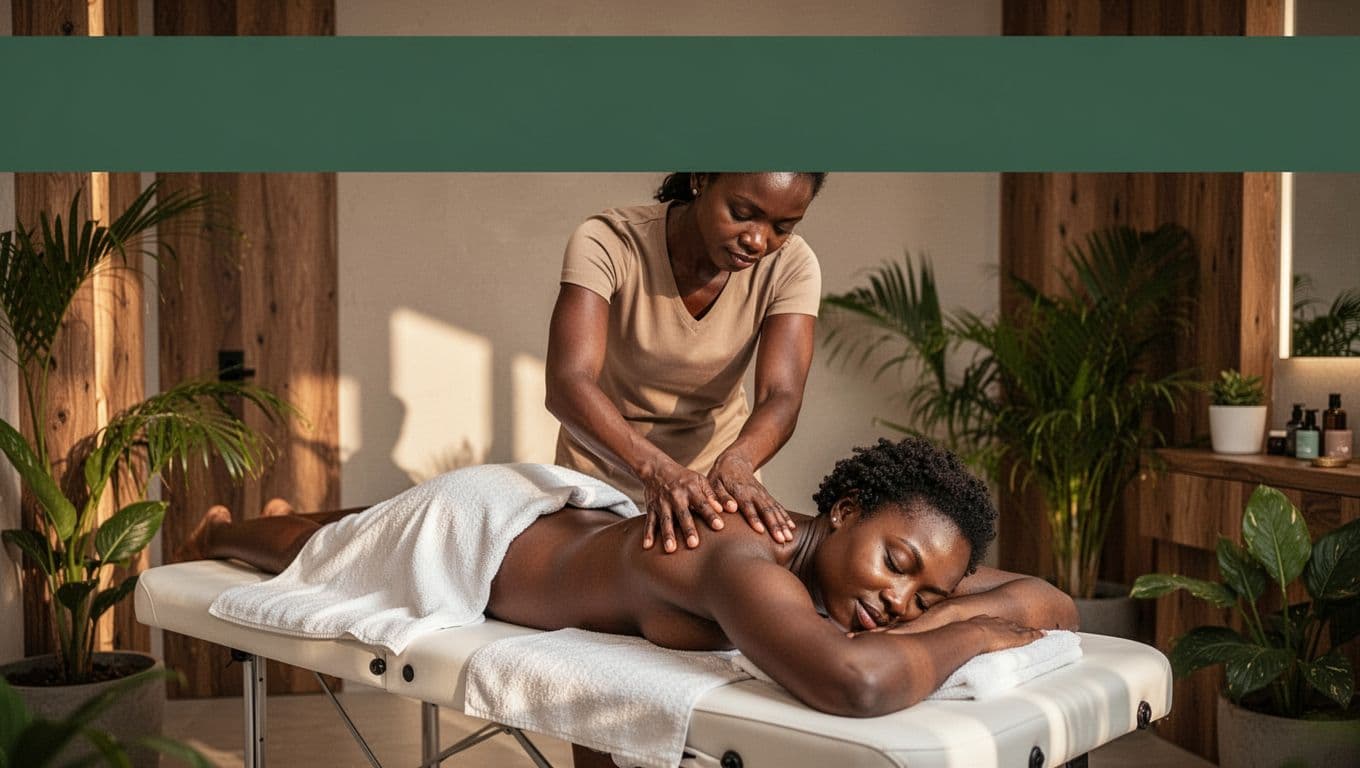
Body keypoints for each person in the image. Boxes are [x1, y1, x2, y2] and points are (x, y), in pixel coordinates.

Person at [182, 437, 1077, 733]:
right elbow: (858, 681)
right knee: (322, 547)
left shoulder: (828, 564)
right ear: (841, 511)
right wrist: (969, 632)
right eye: (898, 564)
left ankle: (289, 514)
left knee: (346, 525)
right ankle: (230, 528)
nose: (901, 601)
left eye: (929, 593)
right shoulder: (745, 564)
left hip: (570, 514)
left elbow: (1051, 598)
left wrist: (934, 608)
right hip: (477, 531)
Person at [546, 172, 827, 555]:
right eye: (742, 212)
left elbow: (782, 394)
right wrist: (655, 471)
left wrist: (740, 461)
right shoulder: (609, 241)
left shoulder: (792, 265)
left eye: (782, 227)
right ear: (701, 179)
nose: (758, 241)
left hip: (717, 482)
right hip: (603, 474)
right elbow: (568, 383)